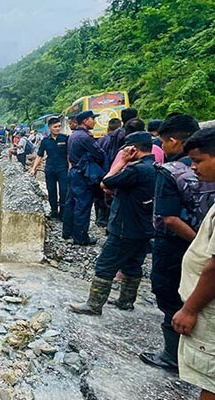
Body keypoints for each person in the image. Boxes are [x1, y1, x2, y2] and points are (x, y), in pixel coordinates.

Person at [140, 114, 203, 373]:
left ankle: (172, 355)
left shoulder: (170, 172)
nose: (162, 148)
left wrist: (196, 243)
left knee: (169, 295)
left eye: (164, 142)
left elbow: (169, 218)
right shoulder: (206, 166)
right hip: (204, 244)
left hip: (175, 246)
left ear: (174, 141)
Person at [69, 132, 156, 315]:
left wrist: (122, 162)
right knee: (133, 264)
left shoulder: (135, 170)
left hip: (124, 226)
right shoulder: (155, 167)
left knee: (105, 264)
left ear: (133, 148)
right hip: (143, 227)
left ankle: (94, 305)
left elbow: (106, 182)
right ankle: (126, 301)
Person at [172, 127, 215, 400]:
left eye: (199, 161)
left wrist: (189, 308)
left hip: (208, 309)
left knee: (210, 378)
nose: (194, 168)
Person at [62, 110, 106, 245]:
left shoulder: (73, 135)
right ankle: (81, 237)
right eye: (92, 119)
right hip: (82, 174)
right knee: (83, 204)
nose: (94, 121)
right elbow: (99, 154)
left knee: (71, 202)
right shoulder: (85, 137)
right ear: (86, 121)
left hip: (74, 171)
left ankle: (67, 231)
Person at [30, 117, 68, 219]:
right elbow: (39, 155)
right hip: (50, 169)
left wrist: (70, 167)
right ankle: (54, 211)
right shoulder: (45, 141)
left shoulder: (65, 138)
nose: (57, 128)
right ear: (50, 128)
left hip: (63, 169)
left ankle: (63, 213)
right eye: (55, 127)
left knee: (64, 191)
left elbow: (69, 155)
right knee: (51, 191)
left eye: (59, 126)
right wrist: (34, 168)